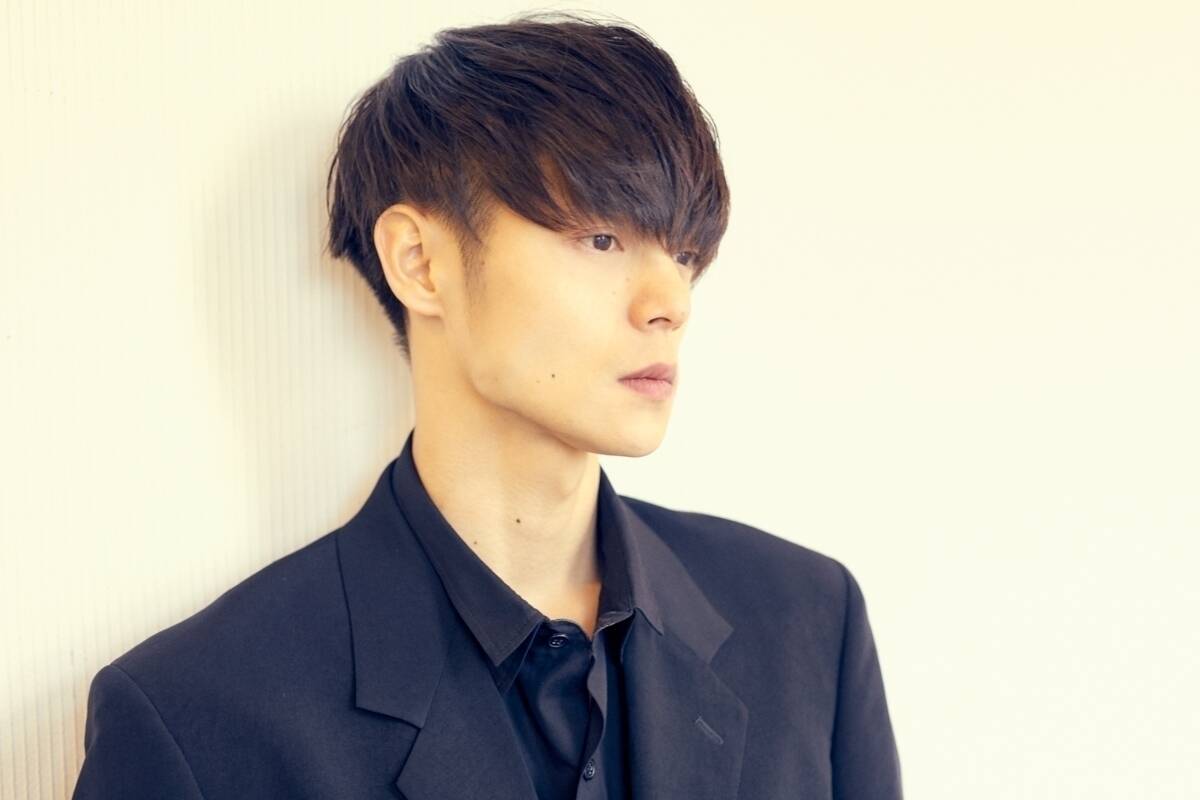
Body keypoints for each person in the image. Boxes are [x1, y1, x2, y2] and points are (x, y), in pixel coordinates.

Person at [72, 11, 902, 799]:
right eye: (601, 238)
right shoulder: (199, 717)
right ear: (420, 262)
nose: (670, 302)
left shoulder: (804, 621)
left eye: (685, 253)